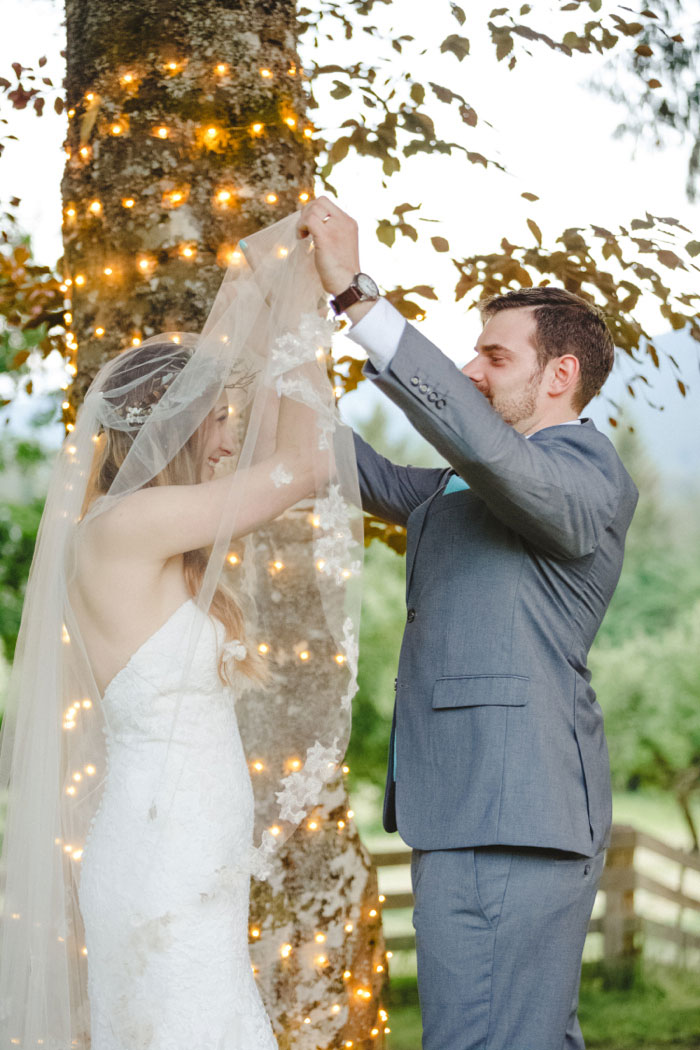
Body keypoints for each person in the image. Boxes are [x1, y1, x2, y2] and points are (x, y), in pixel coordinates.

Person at [0, 213, 363, 1050]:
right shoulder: (127, 526)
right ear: (176, 423)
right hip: (164, 864)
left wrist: (292, 308)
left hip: (191, 860)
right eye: (219, 419)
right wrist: (306, 311)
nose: (229, 437)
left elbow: (286, 458)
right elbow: (299, 468)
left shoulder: (155, 525)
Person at [298, 196, 639, 1050]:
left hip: (510, 811)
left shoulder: (582, 474)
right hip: (475, 809)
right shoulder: (468, 488)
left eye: (494, 354)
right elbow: (366, 475)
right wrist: (280, 384)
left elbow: (481, 445)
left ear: (558, 375)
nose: (473, 369)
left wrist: (358, 301)